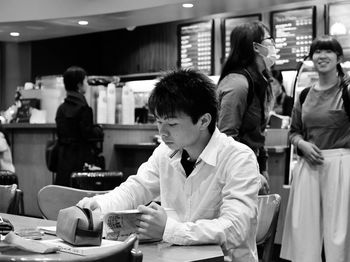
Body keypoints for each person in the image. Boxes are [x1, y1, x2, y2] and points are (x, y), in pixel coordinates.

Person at [78, 69, 261, 262]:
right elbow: (135, 189)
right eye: (158, 121)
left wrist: (169, 229)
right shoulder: (164, 153)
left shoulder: (238, 158)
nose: (163, 132)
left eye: (172, 124)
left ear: (203, 120)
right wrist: (98, 205)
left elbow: (235, 228)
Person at [280, 35, 350, 262]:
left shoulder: (346, 90)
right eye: (317, 51)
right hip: (308, 166)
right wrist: (302, 144)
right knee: (305, 233)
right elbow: (293, 131)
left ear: (339, 57)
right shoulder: (305, 94)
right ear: (311, 57)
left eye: (328, 51)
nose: (322, 56)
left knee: (339, 235)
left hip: (342, 166)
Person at [217, 21, 277, 194]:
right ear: (256, 47)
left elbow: (258, 130)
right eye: (269, 39)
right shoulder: (238, 84)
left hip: (249, 166)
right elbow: (226, 137)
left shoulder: (261, 80)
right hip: (235, 172)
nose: (273, 45)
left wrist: (262, 166)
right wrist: (250, 172)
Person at [55, 66, 104, 186]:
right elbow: (88, 134)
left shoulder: (61, 109)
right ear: (79, 84)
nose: (87, 84)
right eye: (85, 81)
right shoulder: (83, 107)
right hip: (81, 160)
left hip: (63, 160)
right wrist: (98, 130)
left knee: (63, 192)